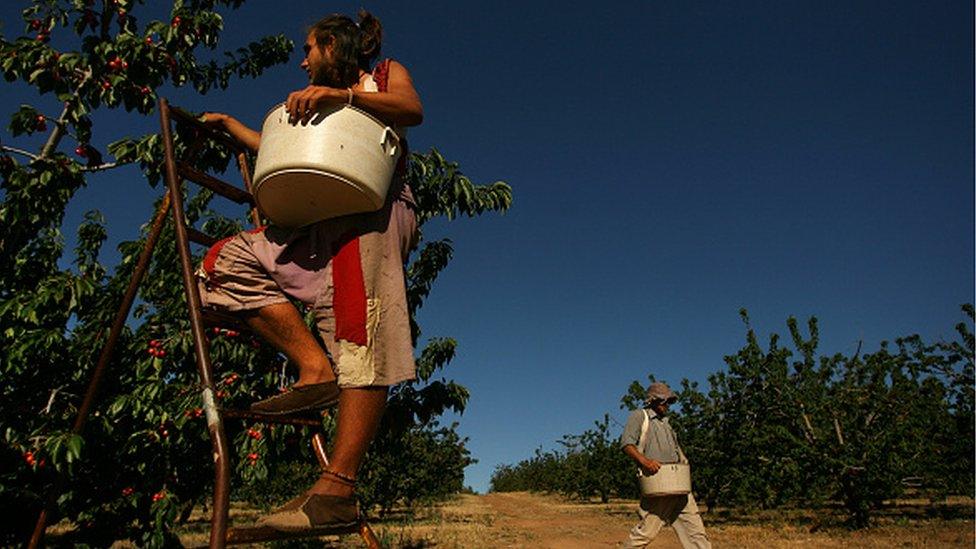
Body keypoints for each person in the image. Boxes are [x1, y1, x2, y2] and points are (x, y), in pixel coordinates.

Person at [198, 10, 422, 531]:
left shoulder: (382, 76)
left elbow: (411, 110)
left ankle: (336, 490)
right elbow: (290, 150)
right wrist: (234, 127)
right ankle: (314, 367)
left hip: (371, 208)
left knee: (359, 328)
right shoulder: (305, 100)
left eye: (309, 49)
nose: (302, 60)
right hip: (319, 215)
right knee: (223, 264)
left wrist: (342, 97)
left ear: (332, 45)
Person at [619, 382, 712, 548]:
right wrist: (645, 461)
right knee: (646, 532)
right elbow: (626, 444)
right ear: (652, 400)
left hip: (679, 484)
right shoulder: (640, 416)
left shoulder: (667, 423)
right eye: (664, 401)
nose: (667, 405)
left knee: (696, 533)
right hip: (658, 484)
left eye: (669, 401)